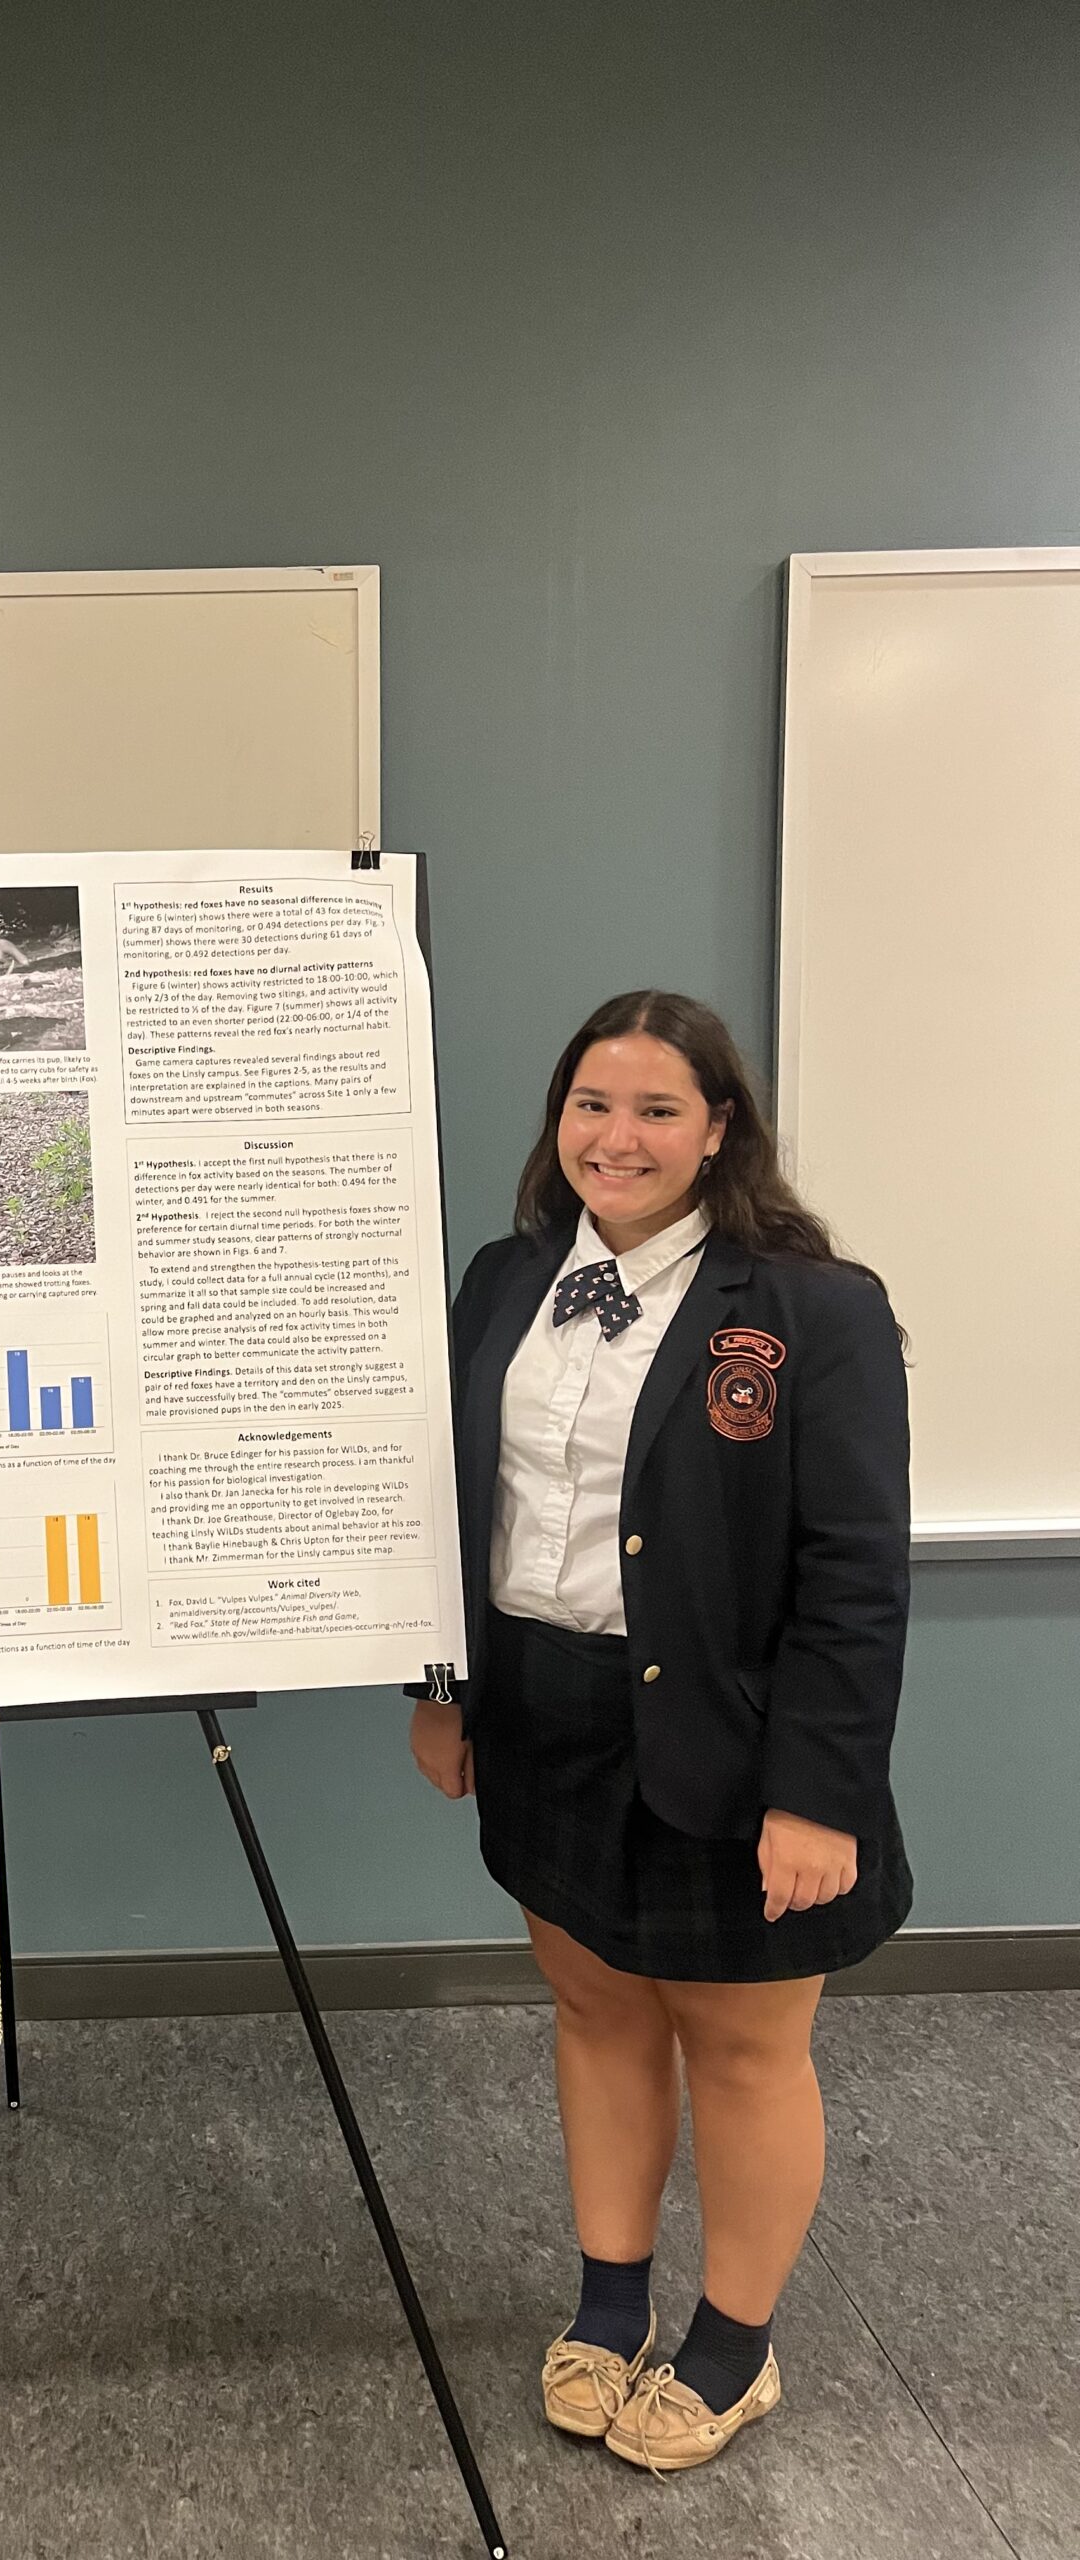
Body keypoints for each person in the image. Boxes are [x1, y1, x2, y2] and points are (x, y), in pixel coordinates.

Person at [411, 989, 911, 2476]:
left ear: (718, 1129)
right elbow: (453, 1505)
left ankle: (734, 2347)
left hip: (732, 1742)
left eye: (655, 1110)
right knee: (596, 2009)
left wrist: (817, 1795)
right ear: (558, 1119)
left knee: (746, 2050)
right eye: (591, 1105)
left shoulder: (814, 1309)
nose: (615, 1137)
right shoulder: (507, 1277)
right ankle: (610, 2301)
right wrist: (441, 1690)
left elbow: (854, 1573)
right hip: (541, 1714)